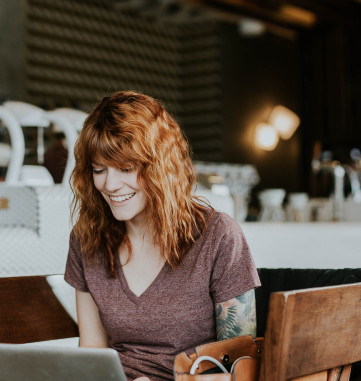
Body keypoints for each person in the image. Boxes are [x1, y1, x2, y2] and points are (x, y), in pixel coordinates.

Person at [64, 91, 260, 381]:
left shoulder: (218, 236)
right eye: (99, 169)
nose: (110, 184)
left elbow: (243, 369)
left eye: (126, 168)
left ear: (160, 167)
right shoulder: (87, 239)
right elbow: (92, 353)